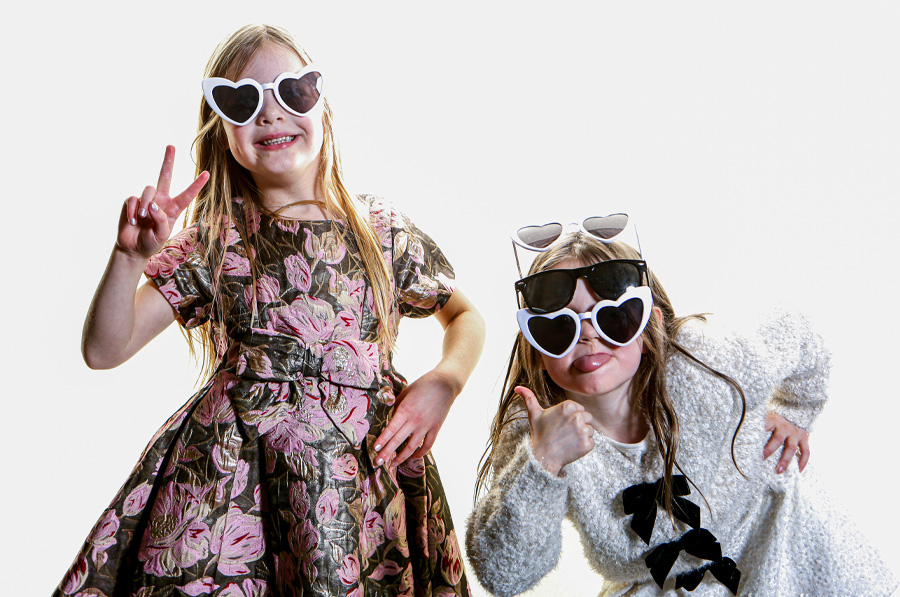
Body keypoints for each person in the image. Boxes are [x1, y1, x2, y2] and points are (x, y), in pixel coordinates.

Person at [54, 24, 484, 597]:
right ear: (221, 127)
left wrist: (445, 383)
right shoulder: (214, 238)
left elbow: (466, 317)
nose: (271, 113)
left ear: (322, 104)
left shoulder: (382, 231)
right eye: (242, 100)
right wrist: (129, 259)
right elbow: (104, 350)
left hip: (361, 487)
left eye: (292, 91)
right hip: (234, 487)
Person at [466, 220, 896, 596]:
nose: (588, 337)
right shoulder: (537, 430)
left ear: (649, 320)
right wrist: (543, 464)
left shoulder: (704, 361)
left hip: (789, 551)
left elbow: (795, 330)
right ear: (534, 343)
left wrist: (798, 412)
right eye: (559, 326)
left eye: (613, 317)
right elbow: (505, 576)